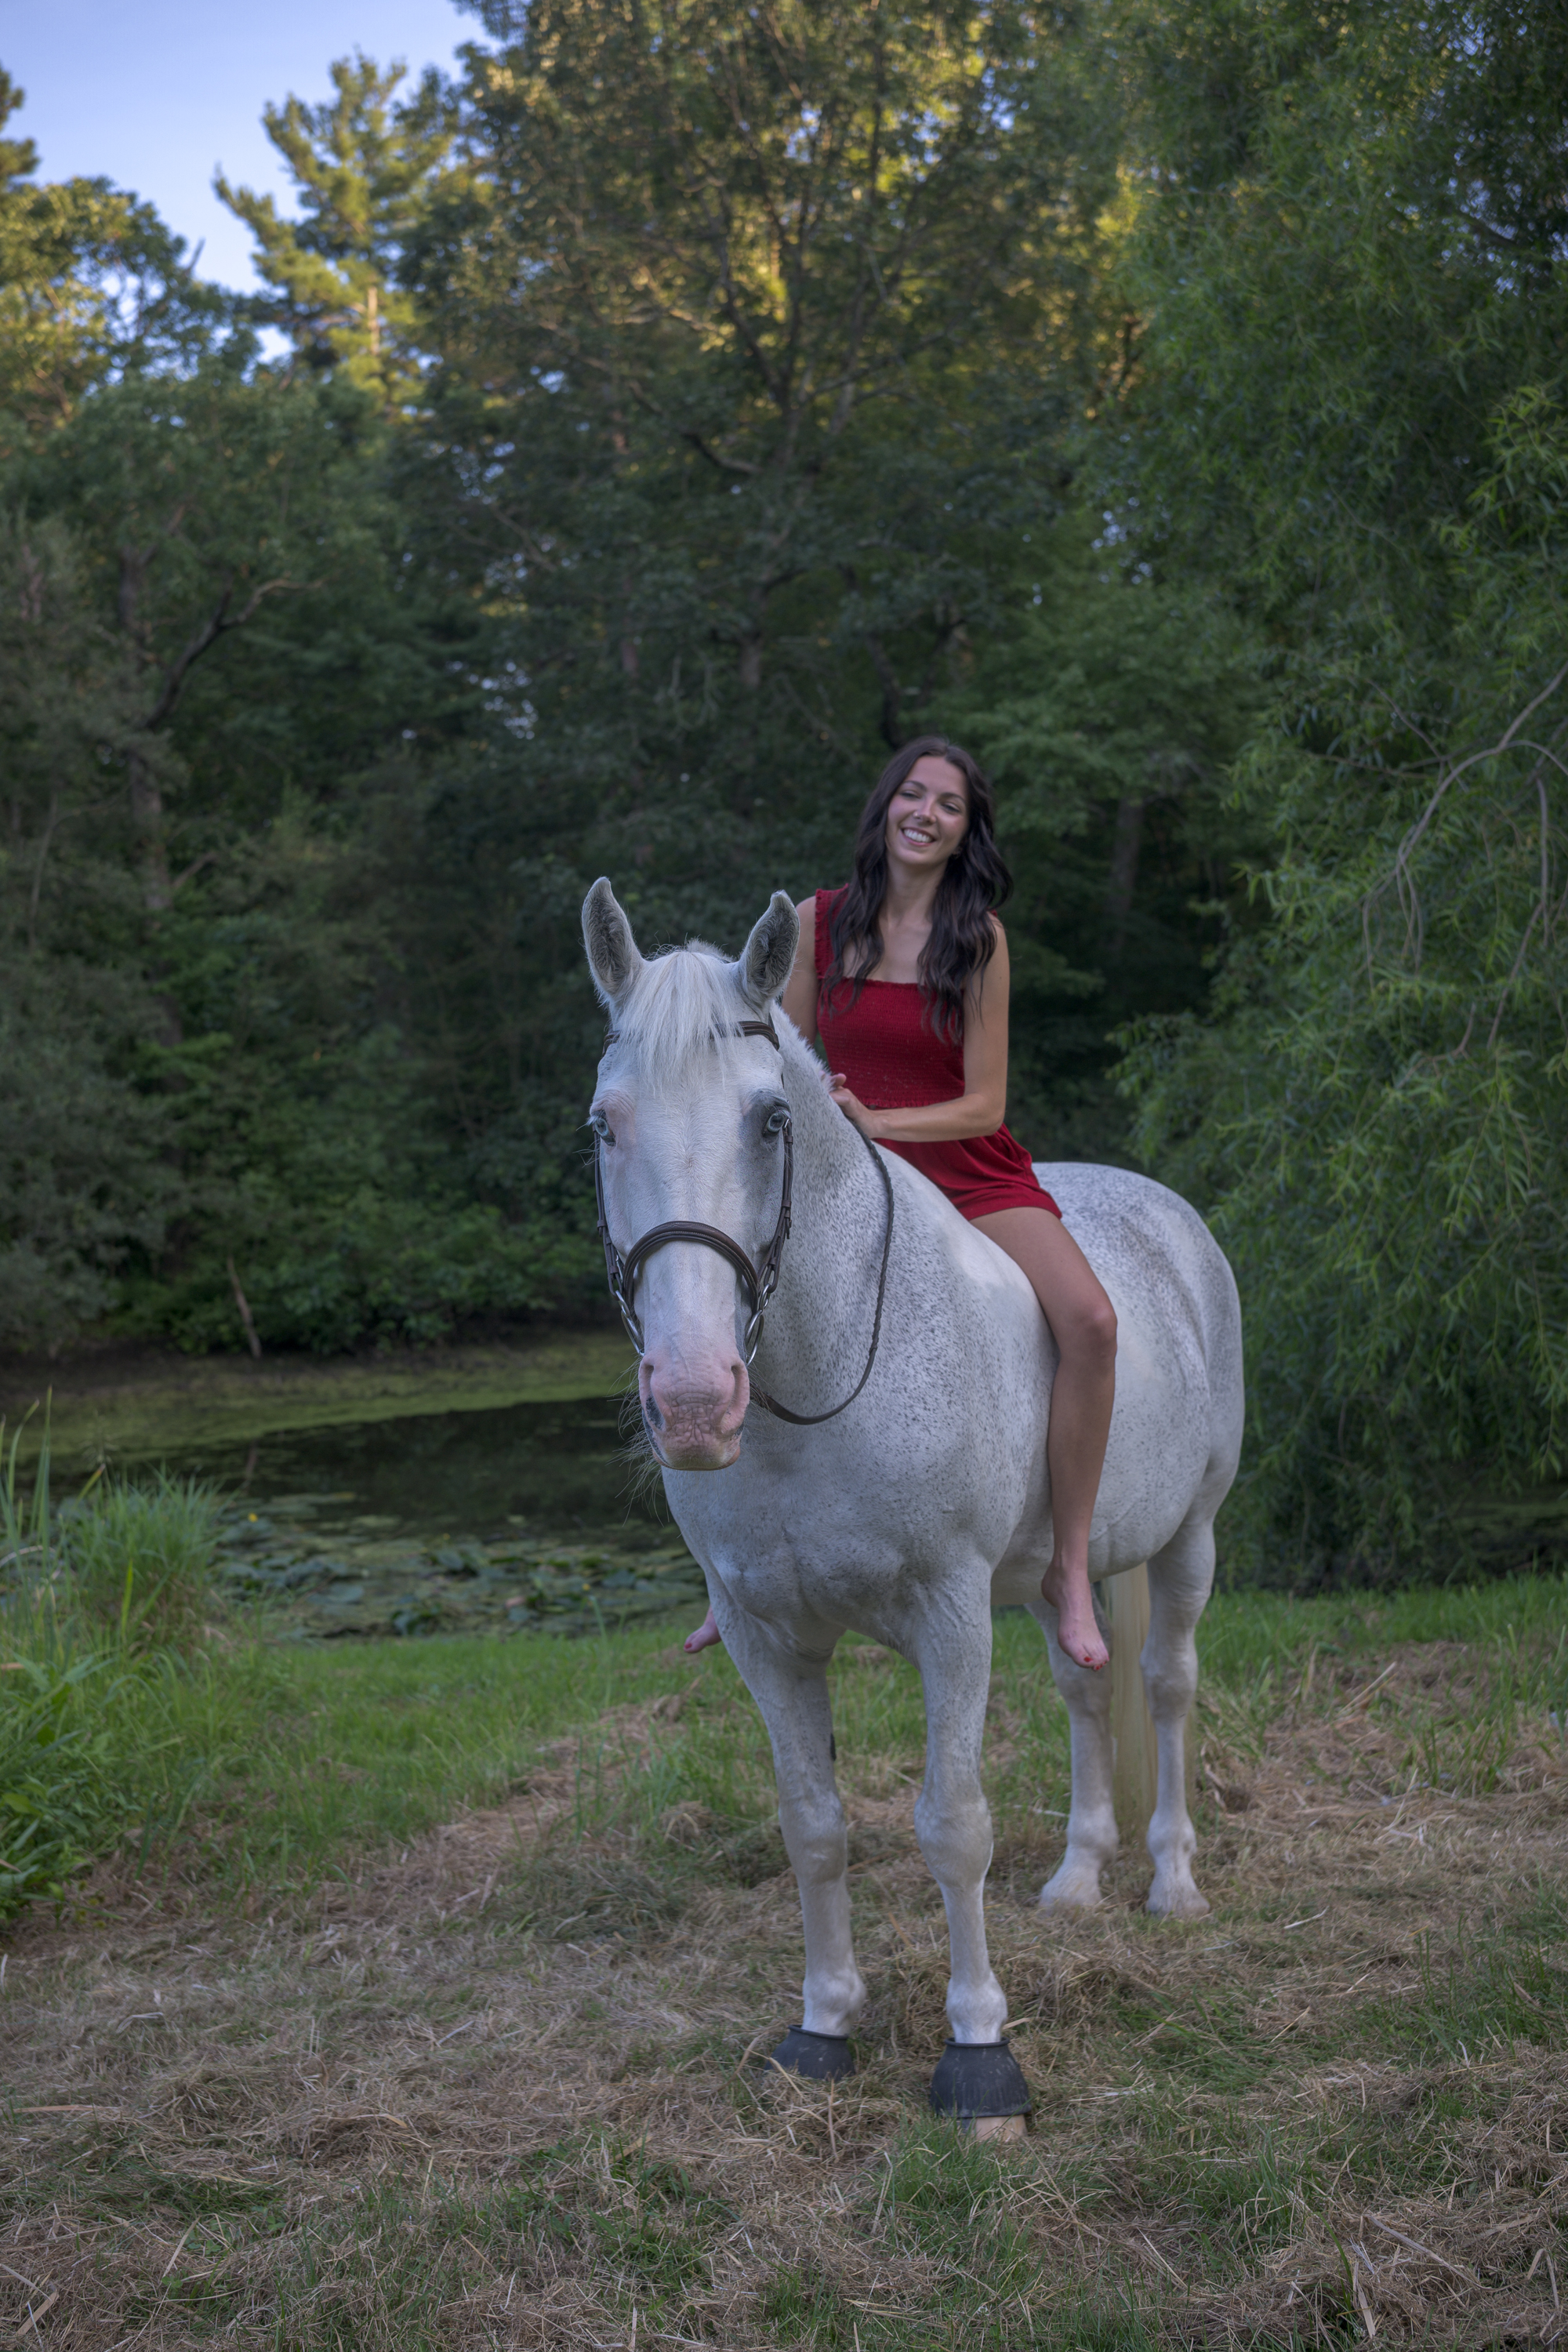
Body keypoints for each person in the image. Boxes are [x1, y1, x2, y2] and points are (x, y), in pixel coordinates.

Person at [683, 735, 1116, 1672]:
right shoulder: (816, 922)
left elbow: (984, 1102)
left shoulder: (978, 938)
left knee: (1090, 1323)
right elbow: (780, 1064)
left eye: (948, 805)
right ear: (885, 806)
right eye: (912, 794)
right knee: (713, 1303)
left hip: (963, 1168)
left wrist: (881, 1121)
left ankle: (1071, 1568)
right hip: (841, 1179)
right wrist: (838, 1130)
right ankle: (727, 1570)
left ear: (965, 831)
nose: (926, 814)